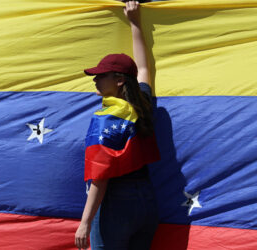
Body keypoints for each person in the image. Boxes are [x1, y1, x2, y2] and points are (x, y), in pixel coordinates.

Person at [75, 1, 160, 249]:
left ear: (120, 80)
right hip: (146, 200)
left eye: (101, 75)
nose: (95, 80)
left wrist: (85, 222)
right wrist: (135, 22)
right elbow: (143, 68)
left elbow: (100, 177)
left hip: (115, 204)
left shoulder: (107, 118)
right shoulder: (143, 104)